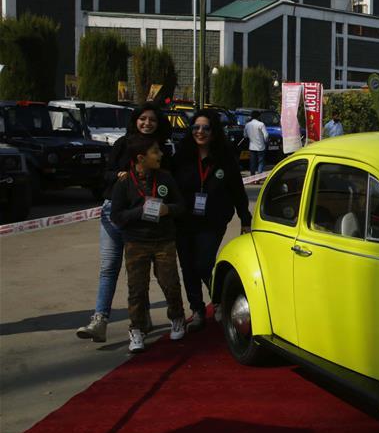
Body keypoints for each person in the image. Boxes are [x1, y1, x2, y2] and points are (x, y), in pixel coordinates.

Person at [76, 103, 173, 343]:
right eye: (142, 119)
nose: (147, 123)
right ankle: (100, 320)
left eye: (152, 119)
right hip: (114, 212)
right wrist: (118, 176)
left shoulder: (164, 149)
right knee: (109, 267)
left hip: (145, 217)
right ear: (135, 121)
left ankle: (142, 318)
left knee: (139, 271)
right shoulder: (122, 145)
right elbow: (104, 175)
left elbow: (169, 183)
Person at [173, 110, 252, 332]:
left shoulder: (225, 158)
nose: (200, 132)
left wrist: (245, 218)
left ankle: (218, 302)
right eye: (196, 127)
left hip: (213, 221)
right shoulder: (181, 156)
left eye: (205, 128)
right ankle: (197, 310)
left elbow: (237, 190)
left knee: (204, 263)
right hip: (184, 221)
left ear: (214, 131)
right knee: (188, 267)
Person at [110, 135, 187, 353]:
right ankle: (136, 328)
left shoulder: (165, 178)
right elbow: (116, 216)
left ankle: (177, 317)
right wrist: (138, 212)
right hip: (136, 242)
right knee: (137, 289)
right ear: (140, 158)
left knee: (170, 282)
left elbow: (181, 205)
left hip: (164, 240)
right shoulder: (124, 183)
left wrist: (168, 210)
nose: (161, 155)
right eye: (156, 152)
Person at [243, 110, 269, 175]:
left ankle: (252, 176)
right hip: (261, 146)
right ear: (258, 116)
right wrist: (265, 141)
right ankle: (259, 177)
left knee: (252, 162)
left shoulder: (247, 125)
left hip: (252, 146)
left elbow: (245, 135)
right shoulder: (261, 124)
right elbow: (266, 135)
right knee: (261, 162)